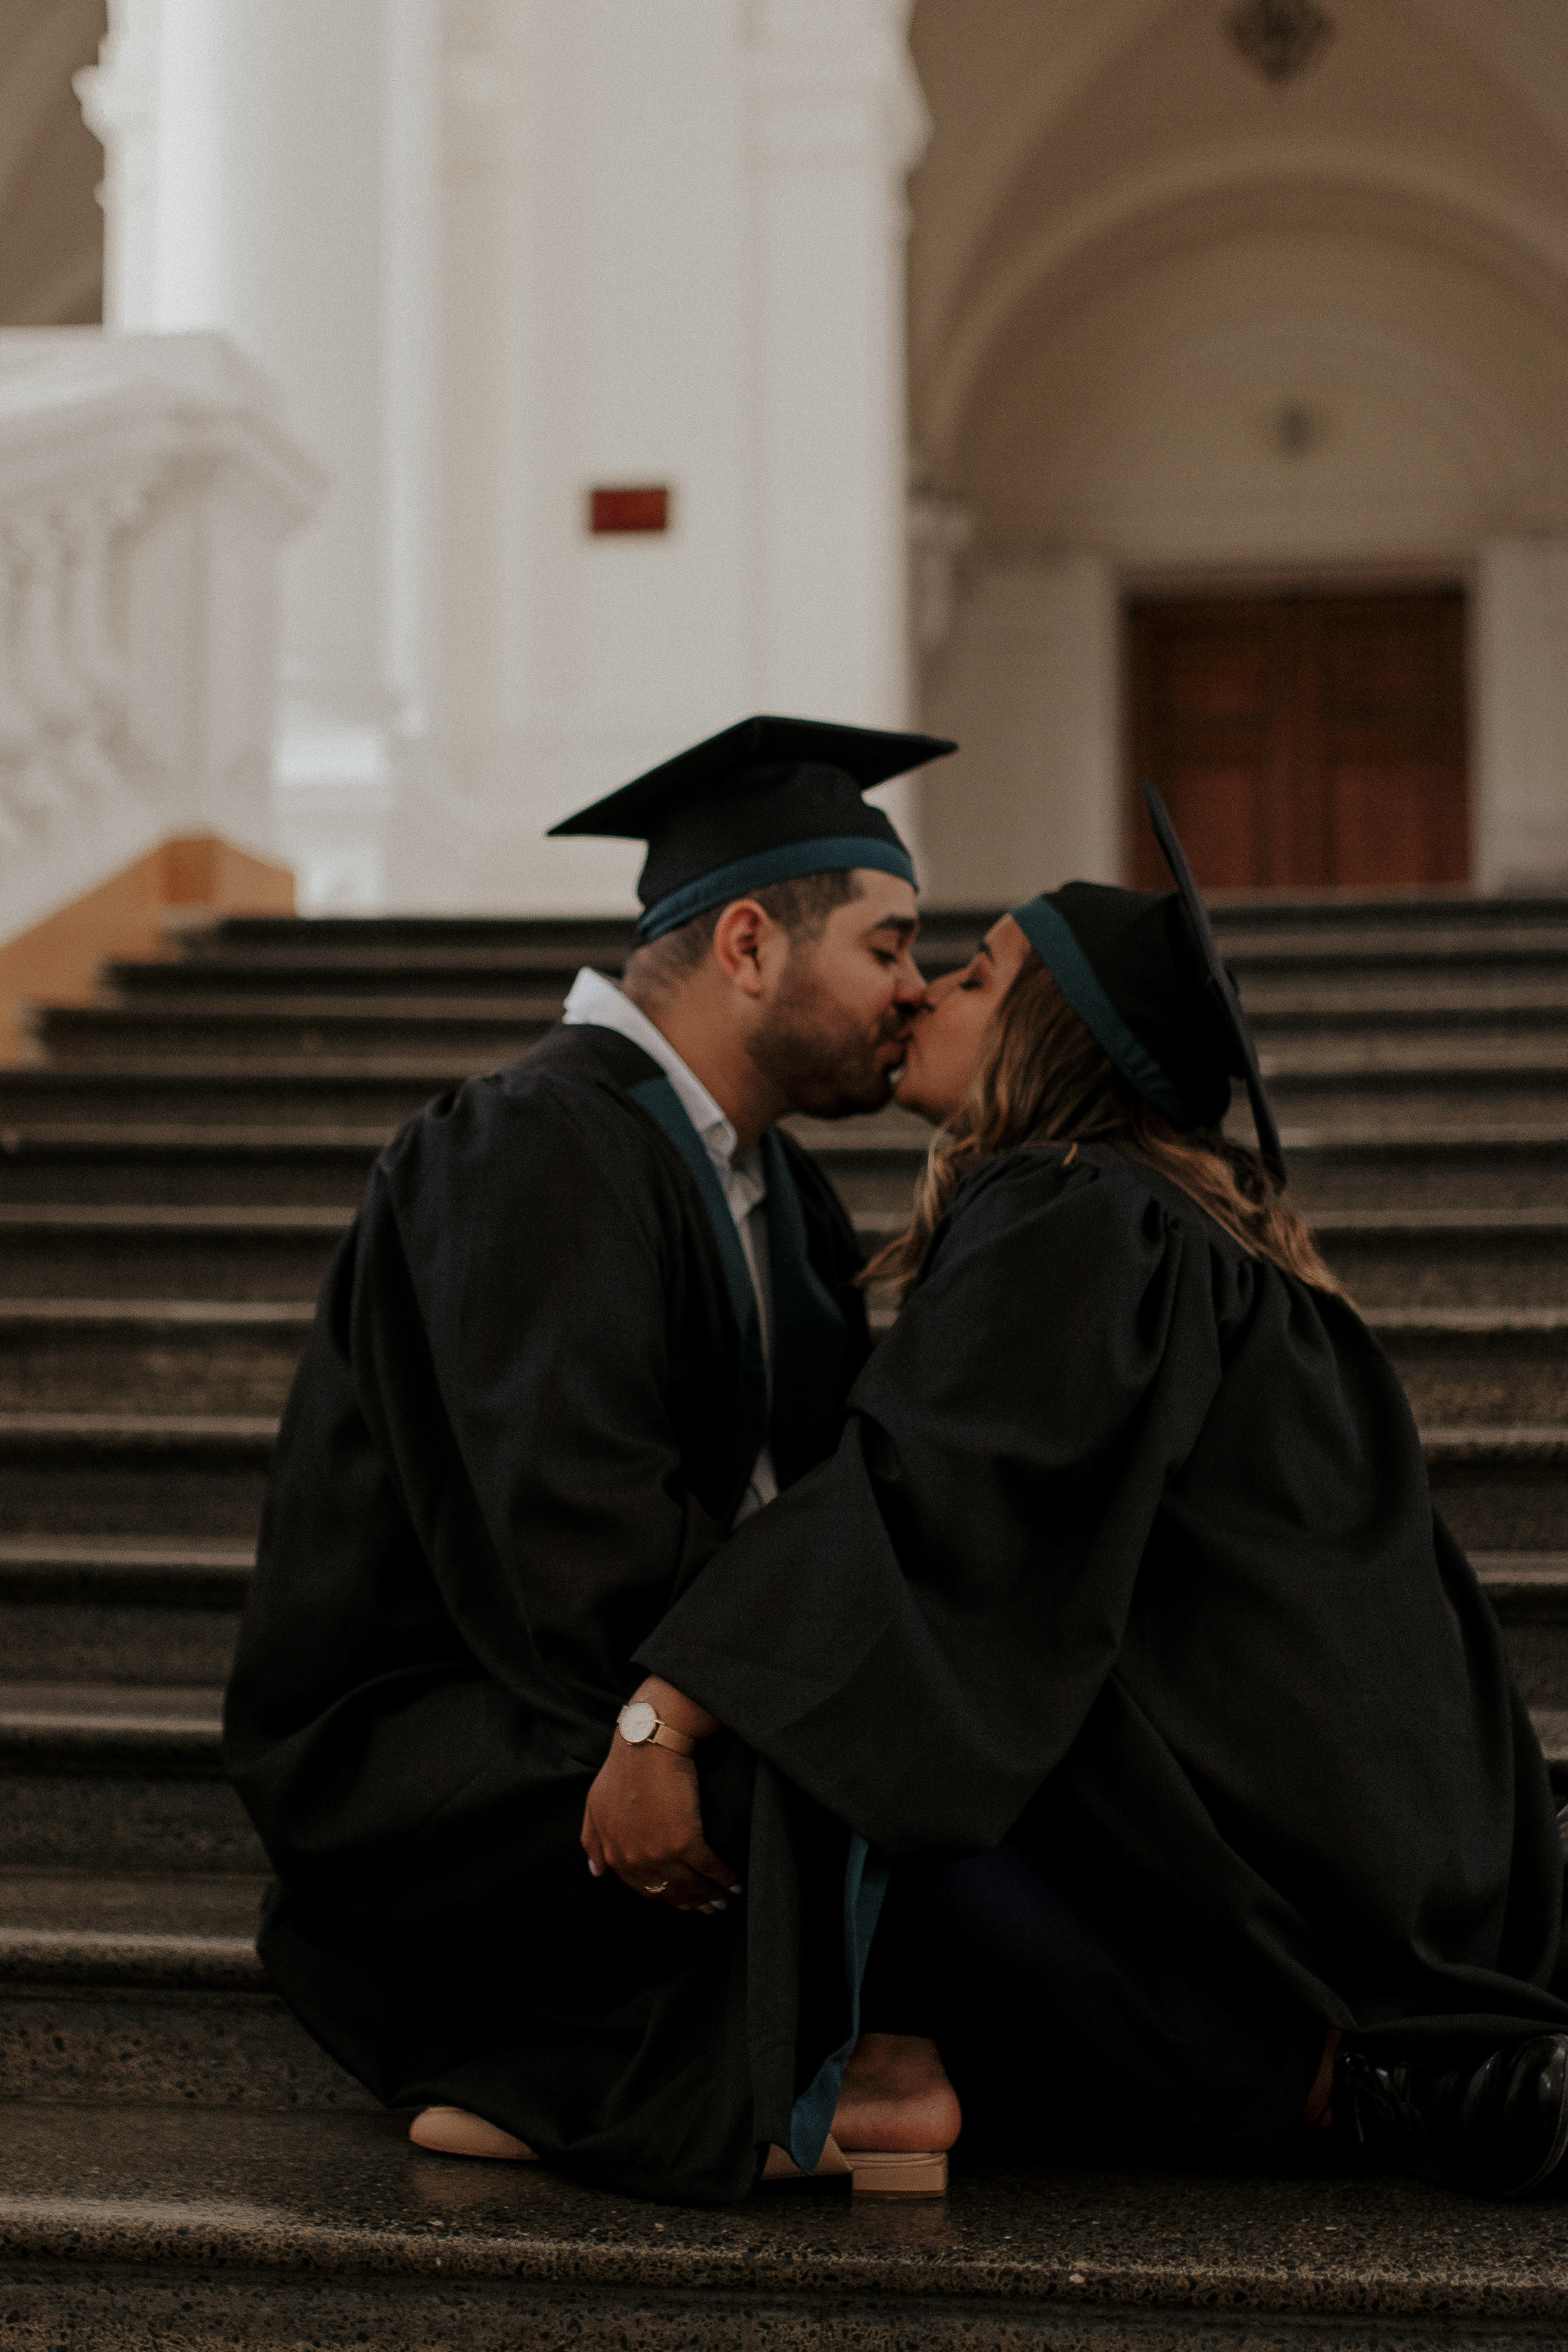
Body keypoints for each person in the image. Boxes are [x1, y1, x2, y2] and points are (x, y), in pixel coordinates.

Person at [598, 787, 1568, 2202]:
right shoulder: (1178, 1218)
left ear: (1055, 1034)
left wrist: (663, 1711)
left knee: (860, 1826)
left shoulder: (1073, 1209)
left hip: (1294, 1828)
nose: (924, 991)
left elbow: (914, 1492)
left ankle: (1371, 2092)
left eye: (976, 975)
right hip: (1391, 1811)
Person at [222, 714, 963, 2206]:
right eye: (888, 948)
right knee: (856, 1772)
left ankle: (613, 2072)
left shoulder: (782, 1199)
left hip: (634, 1685)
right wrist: (716, 1714)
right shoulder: (533, 1145)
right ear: (748, 944)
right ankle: (594, 2072)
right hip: (440, 1732)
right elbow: (573, 1540)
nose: (914, 991)